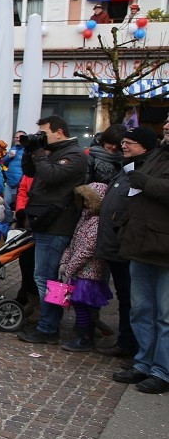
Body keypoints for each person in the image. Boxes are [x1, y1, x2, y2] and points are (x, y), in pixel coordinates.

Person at [17, 115, 89, 344]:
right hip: (44, 221)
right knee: (45, 278)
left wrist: (39, 152)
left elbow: (51, 175)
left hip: (58, 225)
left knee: (49, 280)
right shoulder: (53, 151)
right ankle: (48, 325)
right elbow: (30, 172)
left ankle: (49, 327)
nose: (41, 137)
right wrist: (30, 150)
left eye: (44, 133)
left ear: (59, 132)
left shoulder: (74, 155)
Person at [111, 127, 169, 394]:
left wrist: (143, 180)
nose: (166, 127)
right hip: (141, 244)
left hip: (164, 249)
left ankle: (162, 370)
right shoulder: (157, 155)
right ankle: (143, 363)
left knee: (165, 315)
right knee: (141, 309)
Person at [96, 127, 156, 359]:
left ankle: (133, 344)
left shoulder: (144, 170)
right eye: (125, 141)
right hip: (116, 243)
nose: (124, 145)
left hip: (127, 245)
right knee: (125, 296)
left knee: (133, 299)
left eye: (131, 142)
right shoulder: (126, 167)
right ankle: (126, 341)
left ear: (145, 147)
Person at [57, 183, 112, 352]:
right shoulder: (85, 217)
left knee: (82, 304)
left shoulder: (96, 221)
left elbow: (86, 250)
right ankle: (84, 335)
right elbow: (74, 243)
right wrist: (64, 262)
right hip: (80, 270)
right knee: (81, 305)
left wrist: (69, 267)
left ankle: (85, 338)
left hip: (89, 272)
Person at [1, 131, 26, 210]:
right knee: (6, 204)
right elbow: (4, 162)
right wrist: (9, 156)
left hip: (19, 184)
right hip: (9, 183)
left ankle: (14, 222)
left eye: (20, 137)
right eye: (16, 137)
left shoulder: (26, 150)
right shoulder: (13, 149)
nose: (18, 139)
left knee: (15, 206)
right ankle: (7, 222)